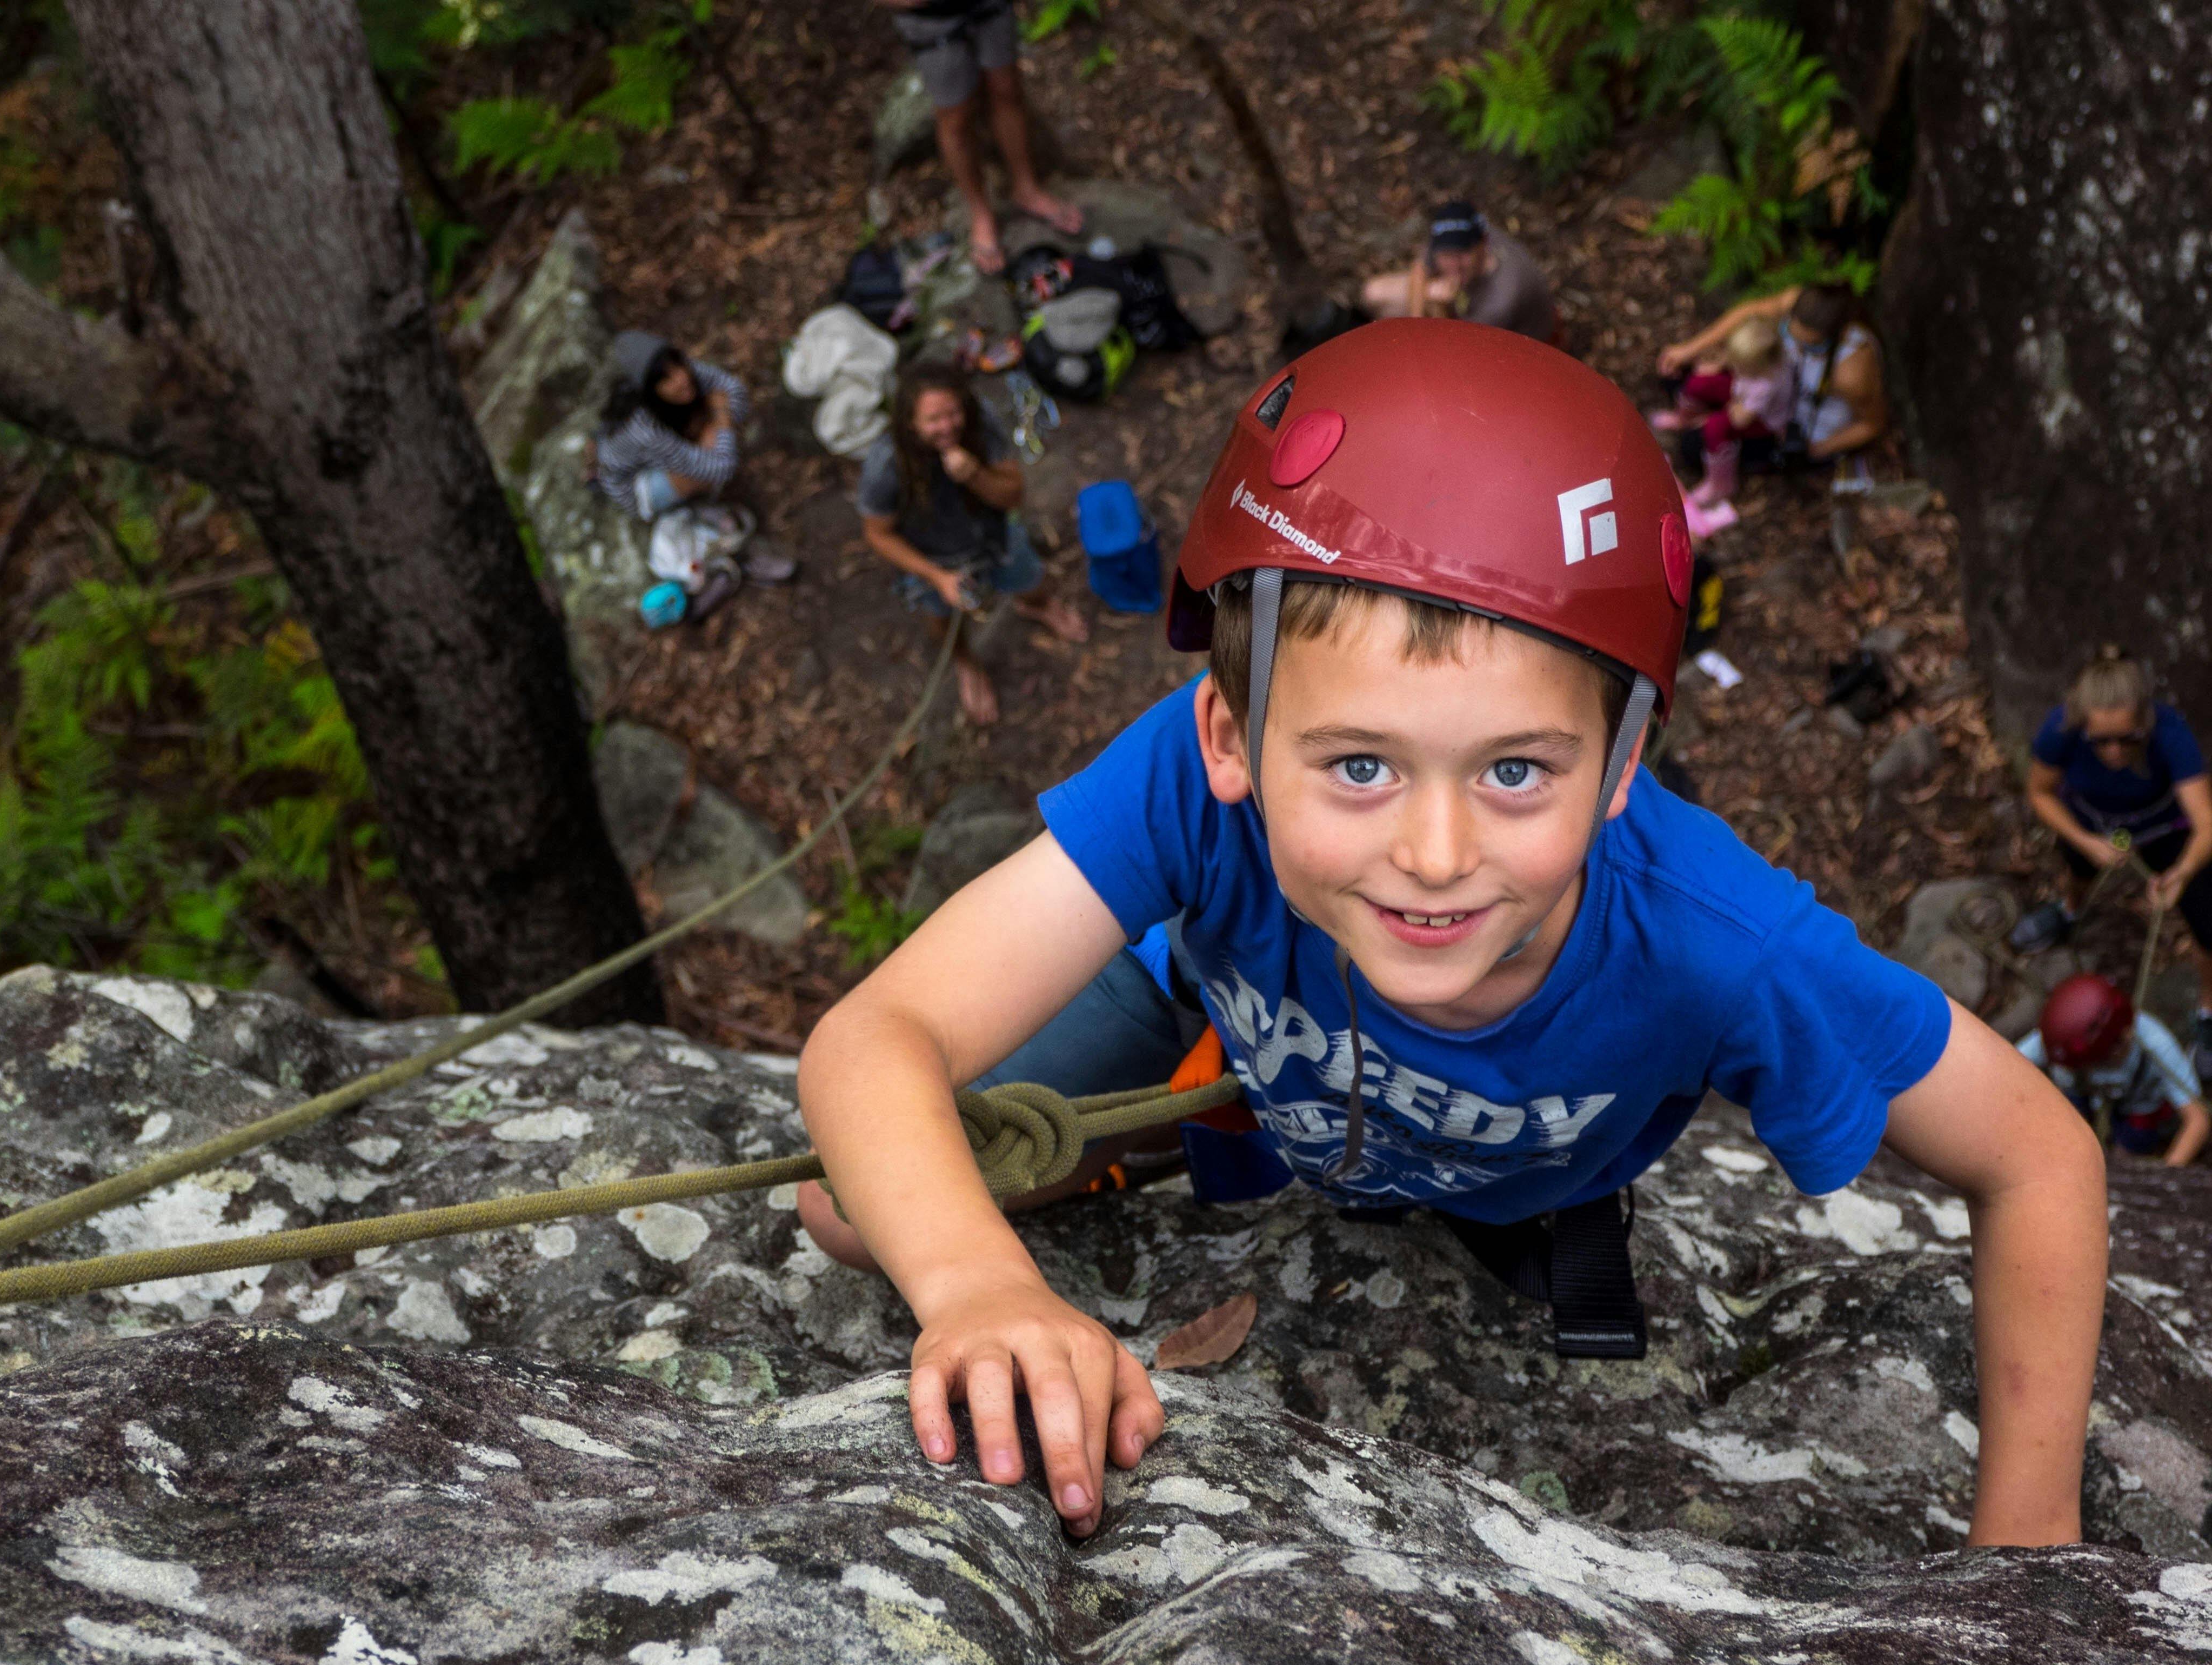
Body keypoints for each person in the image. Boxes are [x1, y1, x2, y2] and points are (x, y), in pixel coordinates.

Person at [796, 320, 2106, 1548]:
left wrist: (2027, 1557)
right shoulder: (1185, 786)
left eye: (1517, 772)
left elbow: (2037, 1156)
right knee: (846, 1208)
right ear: (1230, 739)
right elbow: (875, 1038)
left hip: (1489, 1163)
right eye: (1359, 765)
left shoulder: (1716, 941)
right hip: (1223, 1038)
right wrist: (977, 1283)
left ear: (1621, 762)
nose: (1434, 854)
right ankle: (1168, 1127)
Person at [856, 358, 1086, 727]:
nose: (948, 427)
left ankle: (1038, 607)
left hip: (994, 537)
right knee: (942, 620)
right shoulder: (886, 465)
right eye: (934, 420)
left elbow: (1012, 495)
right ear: (910, 423)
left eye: (953, 413)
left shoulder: (980, 422)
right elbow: (877, 534)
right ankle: (966, 663)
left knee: (1031, 581)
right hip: (935, 561)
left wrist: (975, 474)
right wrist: (937, 577)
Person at [2009, 649, 2212, 1056]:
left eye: (2128, 739)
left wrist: (2184, 871)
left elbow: (2206, 822)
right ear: (2083, 725)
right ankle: (2070, 911)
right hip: (2092, 824)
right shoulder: (2062, 729)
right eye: (2101, 742)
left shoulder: (2171, 734)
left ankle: (2209, 1013)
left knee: (2208, 922)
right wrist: (2085, 842)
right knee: (2078, 868)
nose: (2115, 752)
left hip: (2164, 830)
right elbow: (2039, 792)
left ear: (2145, 722)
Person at [871, 0, 1082, 275]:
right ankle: (980, 213)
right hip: (929, 20)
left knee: (1007, 88)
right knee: (955, 117)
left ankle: (1026, 188)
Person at [1658, 283, 1887, 465]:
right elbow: (1748, 315)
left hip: (1792, 423)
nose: (1795, 346)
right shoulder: (1803, 304)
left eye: (1809, 346)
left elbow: (1872, 425)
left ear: (1839, 335)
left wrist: (1817, 450)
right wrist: (1689, 351)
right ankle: (1700, 416)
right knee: (1676, 375)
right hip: (1768, 384)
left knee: (1691, 447)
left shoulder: (1852, 374)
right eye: (1790, 332)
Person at [2019, 975, 2208, 1167]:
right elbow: (2007, 1067)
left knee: (2128, 1150)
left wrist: (2168, 1174)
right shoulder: (2060, 1039)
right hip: (2082, 1095)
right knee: (2068, 1137)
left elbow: (2198, 1119)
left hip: (2139, 1104)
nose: (2127, 1036)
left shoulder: (2154, 1043)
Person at [589, 332, 750, 520]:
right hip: (634, 486)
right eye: (666, 380)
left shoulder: (681, 370)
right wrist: (721, 415)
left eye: (678, 367)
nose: (681, 380)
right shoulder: (646, 429)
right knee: (711, 444)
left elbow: (736, 390)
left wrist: (719, 423)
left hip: (660, 448)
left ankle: (696, 459)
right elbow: (723, 466)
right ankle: (695, 503)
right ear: (650, 391)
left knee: (712, 435)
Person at [1357, 200, 1556, 345]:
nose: (1453, 265)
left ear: (1483, 246)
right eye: (1446, 255)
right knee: (1375, 294)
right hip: (1463, 309)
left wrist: (1441, 308)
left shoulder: (1503, 296)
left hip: (1519, 346)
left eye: (1461, 255)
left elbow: (1459, 345)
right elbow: (1420, 269)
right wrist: (1416, 323)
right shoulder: (1462, 232)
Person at [1652, 317, 1794, 516]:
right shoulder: (1758, 359)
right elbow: (1731, 362)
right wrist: (1719, 365)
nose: (1733, 366)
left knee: (1715, 427)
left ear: (1756, 367)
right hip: (1741, 394)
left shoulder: (1765, 386)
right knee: (1698, 383)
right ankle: (1683, 418)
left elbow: (1740, 419)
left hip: (1762, 421)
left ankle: (1721, 483)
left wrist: (1716, 413)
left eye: (1739, 365)